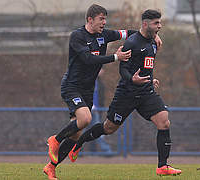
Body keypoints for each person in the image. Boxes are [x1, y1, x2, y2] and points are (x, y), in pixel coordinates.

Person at [43, 4, 162, 180]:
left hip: (88, 89)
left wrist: (156, 34)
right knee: (86, 119)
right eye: (101, 19)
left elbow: (130, 33)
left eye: (105, 19)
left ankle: (51, 167)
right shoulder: (77, 36)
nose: (104, 23)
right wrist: (116, 57)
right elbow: (88, 59)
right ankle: (55, 140)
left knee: (76, 133)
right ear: (90, 20)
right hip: (72, 86)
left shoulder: (105, 35)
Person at [69, 9, 182, 176]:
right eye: (156, 23)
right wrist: (132, 79)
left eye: (160, 22)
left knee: (164, 121)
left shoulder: (153, 43)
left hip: (146, 92)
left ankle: (162, 166)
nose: (160, 26)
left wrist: (151, 79)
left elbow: (145, 66)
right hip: (127, 93)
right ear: (145, 24)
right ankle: (79, 143)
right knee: (108, 128)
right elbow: (123, 70)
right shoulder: (132, 43)